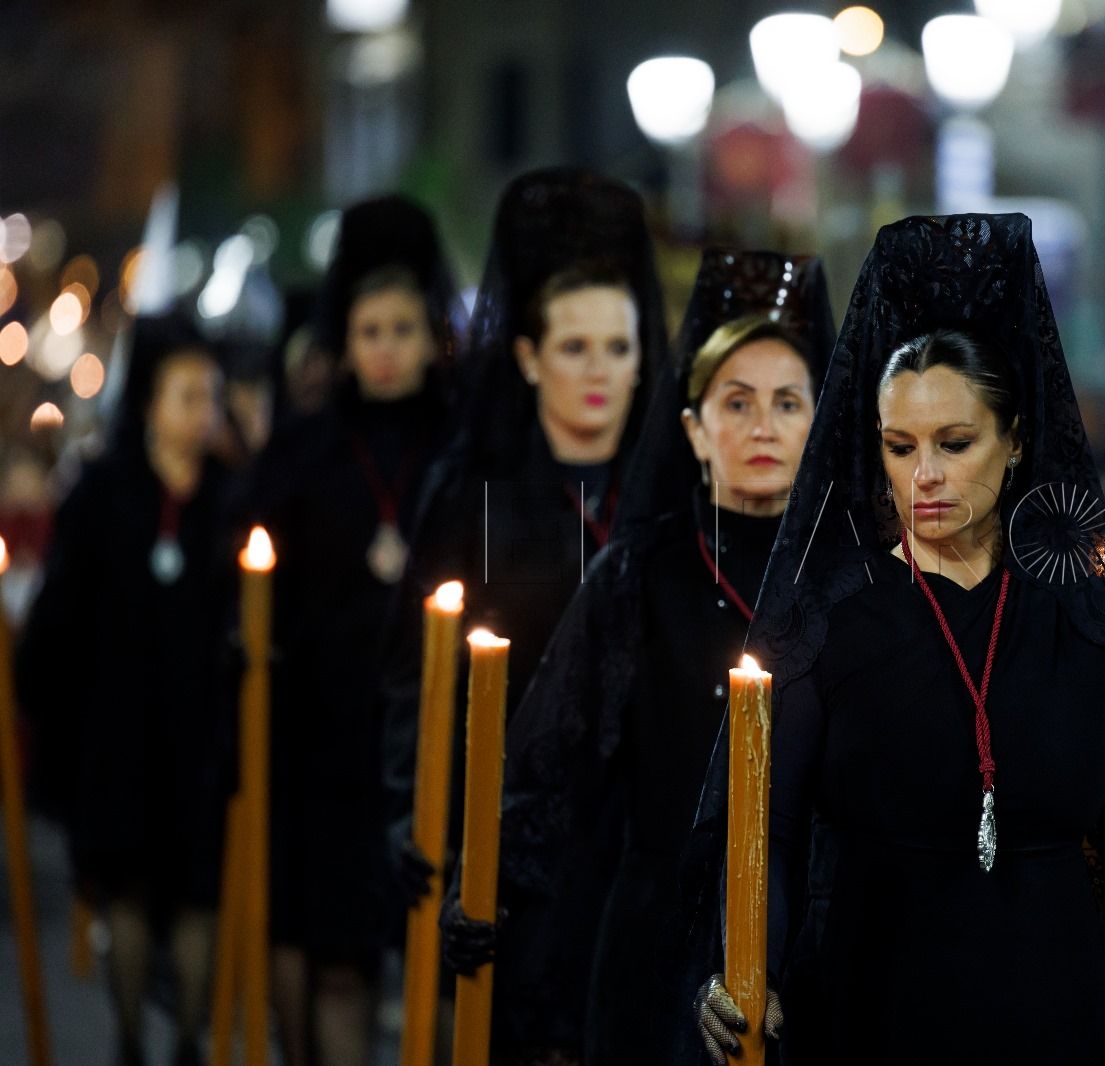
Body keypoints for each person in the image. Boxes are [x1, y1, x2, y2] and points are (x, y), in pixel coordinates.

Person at [685, 215, 1105, 1064]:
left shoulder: (1083, 607)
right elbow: (765, 830)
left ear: (1017, 440)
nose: (925, 475)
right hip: (878, 1013)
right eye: (899, 446)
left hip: (1059, 1013)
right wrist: (745, 973)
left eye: (956, 444)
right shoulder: (832, 619)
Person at [441, 249, 834, 1064]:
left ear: (820, 425)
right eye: (737, 401)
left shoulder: (850, 579)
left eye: (789, 403)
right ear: (692, 431)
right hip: (654, 939)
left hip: (815, 939)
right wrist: (483, 882)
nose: (764, 425)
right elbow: (551, 753)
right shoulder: (637, 572)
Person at [376, 169, 667, 1050]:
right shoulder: (474, 495)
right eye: (573, 347)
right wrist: (411, 808)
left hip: (638, 848)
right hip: (510, 844)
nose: (598, 373)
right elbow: (411, 669)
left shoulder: (671, 495)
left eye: (617, 349)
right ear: (529, 355)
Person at [247, 195, 461, 1066]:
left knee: (431, 964)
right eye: (369, 329)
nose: (385, 348)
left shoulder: (459, 443)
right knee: (338, 959)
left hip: (426, 741)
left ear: (430, 335)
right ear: (345, 337)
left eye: (403, 328)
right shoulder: (306, 445)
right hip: (327, 736)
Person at [18, 313, 235, 1066]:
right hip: (121, 734)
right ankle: (135, 1040)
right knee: (131, 890)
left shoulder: (232, 498)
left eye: (210, 396)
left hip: (202, 736)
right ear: (148, 401)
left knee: (200, 895)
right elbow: (62, 613)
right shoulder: (104, 492)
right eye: (186, 396)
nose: (202, 413)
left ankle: (186, 1043)